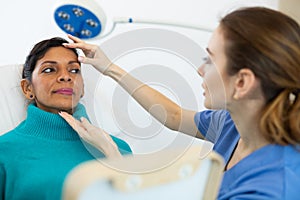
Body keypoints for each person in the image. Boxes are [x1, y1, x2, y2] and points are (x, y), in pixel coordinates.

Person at [63, 6, 300, 199]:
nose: (200, 70)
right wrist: (110, 68)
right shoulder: (233, 123)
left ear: (242, 83)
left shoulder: (273, 187)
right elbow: (174, 116)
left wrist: (112, 156)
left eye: (210, 60)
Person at [0, 37, 132, 200]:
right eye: (49, 70)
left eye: (74, 70)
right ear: (28, 88)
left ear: (82, 88)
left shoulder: (118, 149)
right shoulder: (4, 152)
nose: (65, 77)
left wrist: (114, 156)